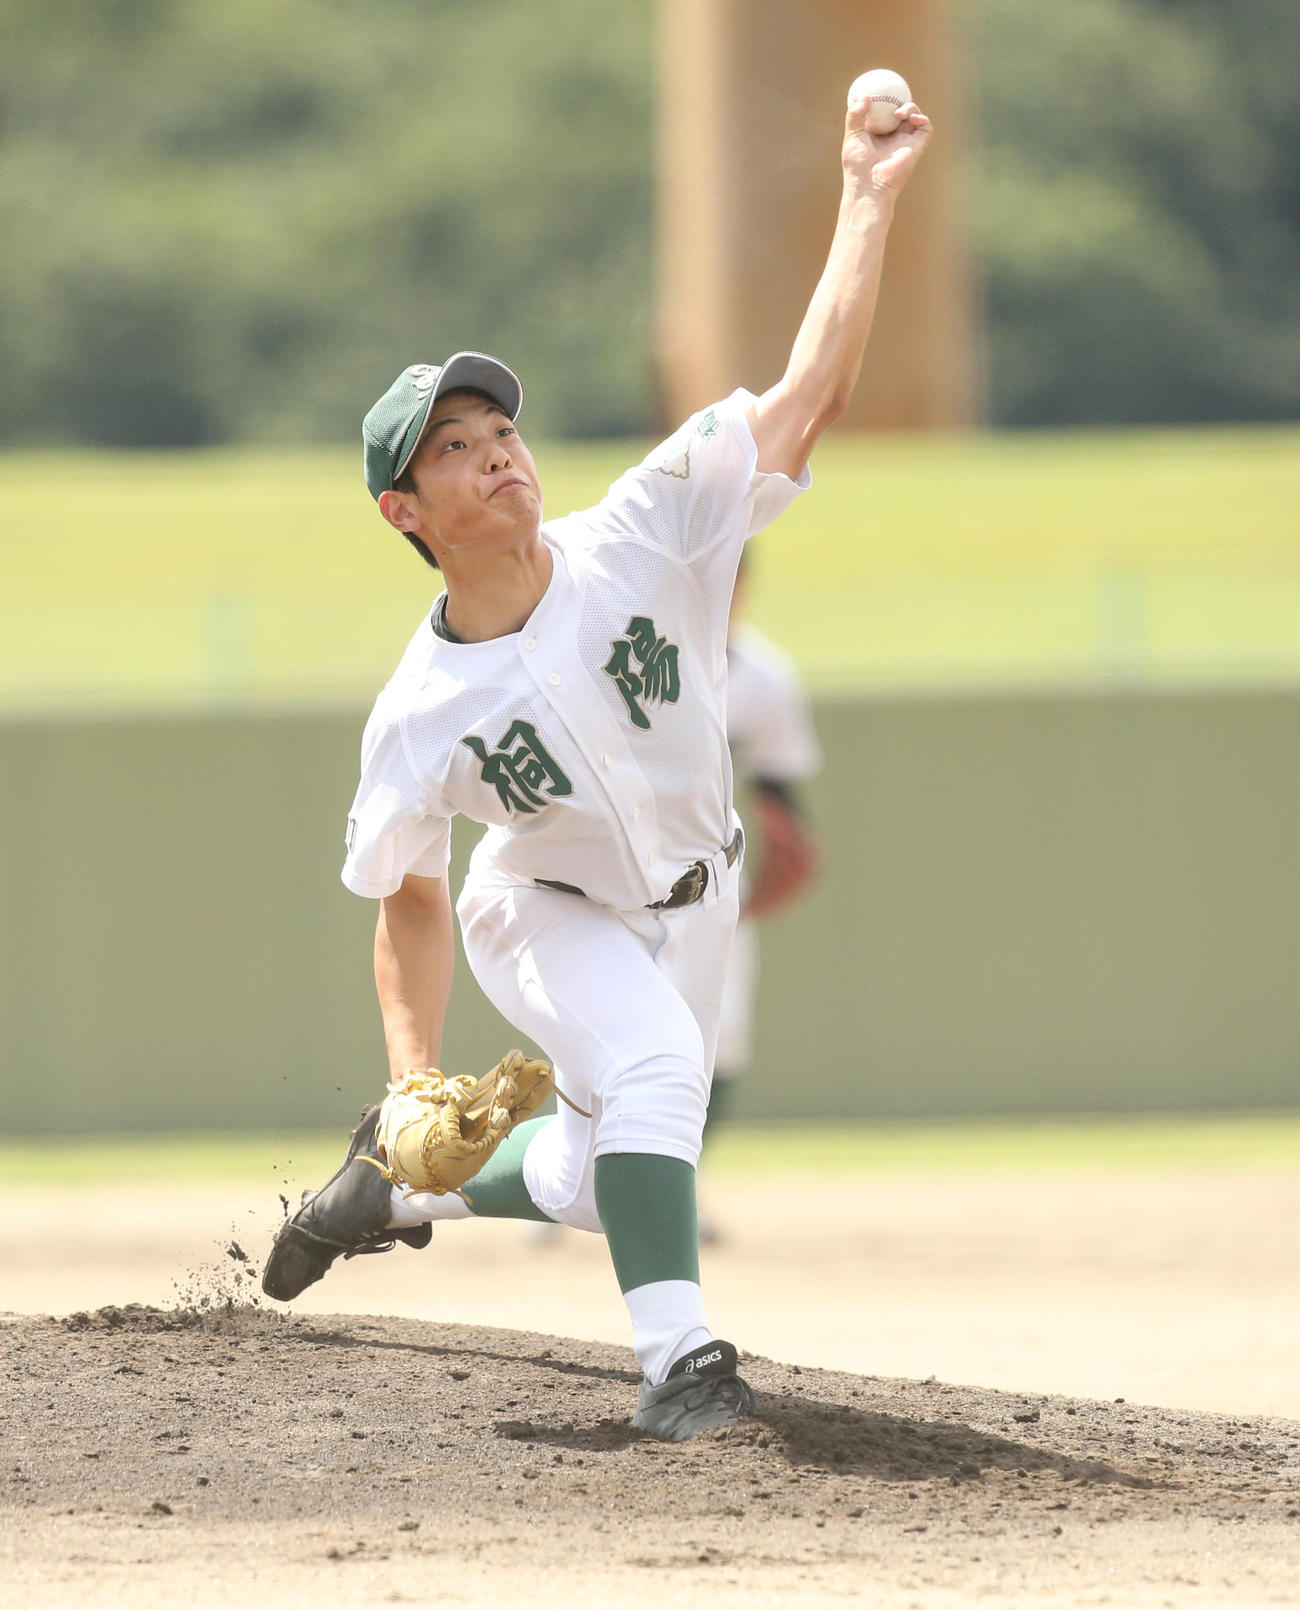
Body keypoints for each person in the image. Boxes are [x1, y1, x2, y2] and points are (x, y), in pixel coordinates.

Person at [262, 86, 932, 1440]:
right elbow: (407, 888)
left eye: (495, 426)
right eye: (451, 447)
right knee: (658, 1078)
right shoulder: (417, 709)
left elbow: (813, 397)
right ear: (407, 511)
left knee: (587, 1168)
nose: (495, 450)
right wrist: (410, 1076)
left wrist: (867, 193)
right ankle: (682, 1366)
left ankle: (389, 1195)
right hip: (546, 910)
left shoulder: (647, 526)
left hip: (700, 897)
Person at [702, 564, 822, 1196]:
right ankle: (570, 1181)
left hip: (716, 877)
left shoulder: (763, 677)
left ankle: (678, 1185)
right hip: (615, 875)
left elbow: (776, 785)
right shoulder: (627, 654)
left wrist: (791, 835)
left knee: (720, 1042)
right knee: (602, 1041)